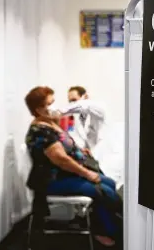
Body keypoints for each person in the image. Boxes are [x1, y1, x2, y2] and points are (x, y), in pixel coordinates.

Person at [24, 86, 119, 247]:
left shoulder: (49, 123)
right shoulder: (40, 131)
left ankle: (112, 223)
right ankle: (105, 230)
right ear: (39, 109)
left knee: (109, 182)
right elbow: (61, 160)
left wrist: (79, 151)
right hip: (53, 180)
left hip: (65, 174)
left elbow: (65, 145)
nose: (55, 107)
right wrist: (87, 174)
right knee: (103, 190)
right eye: (50, 104)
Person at [67, 86, 105, 151]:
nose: (72, 104)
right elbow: (72, 134)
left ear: (86, 97)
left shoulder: (98, 114)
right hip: (83, 153)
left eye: (74, 100)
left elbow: (102, 136)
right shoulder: (71, 117)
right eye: (70, 101)